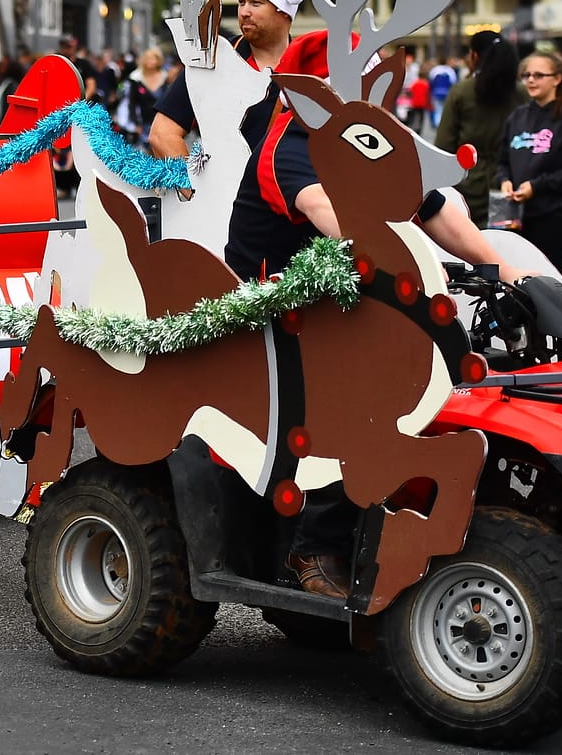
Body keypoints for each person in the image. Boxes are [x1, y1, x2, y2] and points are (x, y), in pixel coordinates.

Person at [223, 78, 529, 597]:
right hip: (267, 320)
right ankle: (313, 548)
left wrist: (511, 274)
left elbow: (431, 206)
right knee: (363, 402)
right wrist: (404, 263)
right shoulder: (289, 144)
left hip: (335, 307)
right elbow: (329, 214)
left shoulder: (362, 136)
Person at [149, 0, 318, 165]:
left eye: (256, 3)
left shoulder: (312, 67)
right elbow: (162, 134)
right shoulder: (212, 60)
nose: (244, 12)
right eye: (241, 2)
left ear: (285, 11)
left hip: (290, 196)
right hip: (223, 196)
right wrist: (196, 192)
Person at [497, 50, 562, 274]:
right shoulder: (517, 116)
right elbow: (502, 161)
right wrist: (504, 180)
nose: (531, 79)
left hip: (554, 217)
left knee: (545, 286)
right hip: (516, 217)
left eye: (539, 75)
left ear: (557, 79)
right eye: (527, 75)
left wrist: (538, 186)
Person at [435, 32, 527, 228]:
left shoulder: (462, 92)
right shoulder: (522, 93)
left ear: (474, 56)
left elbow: (443, 147)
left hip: (469, 189)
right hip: (513, 187)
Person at [118, 46, 169, 147]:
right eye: (148, 58)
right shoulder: (136, 78)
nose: (150, 61)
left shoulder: (165, 77)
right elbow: (131, 102)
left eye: (153, 58)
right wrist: (136, 124)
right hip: (143, 122)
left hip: (161, 121)